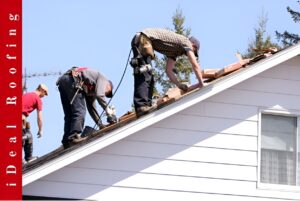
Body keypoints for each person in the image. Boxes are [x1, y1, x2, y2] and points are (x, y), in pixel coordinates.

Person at [130, 28, 205, 116]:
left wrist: (179, 84)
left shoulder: (175, 51)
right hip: (143, 39)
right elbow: (194, 64)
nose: (190, 53)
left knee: (149, 76)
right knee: (145, 72)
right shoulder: (186, 42)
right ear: (193, 46)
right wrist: (201, 83)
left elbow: (168, 71)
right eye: (194, 51)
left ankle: (146, 105)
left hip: (143, 40)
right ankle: (141, 107)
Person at [57, 67, 117, 149]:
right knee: (80, 111)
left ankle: (66, 141)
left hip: (63, 81)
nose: (105, 94)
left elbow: (92, 108)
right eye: (107, 93)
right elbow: (100, 95)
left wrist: (100, 125)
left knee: (70, 114)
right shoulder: (103, 79)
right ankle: (73, 137)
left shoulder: (91, 89)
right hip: (72, 80)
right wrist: (107, 109)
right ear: (109, 86)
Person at [22, 83, 48, 162]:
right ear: (42, 90)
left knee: (26, 135)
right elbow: (39, 117)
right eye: (45, 93)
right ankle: (28, 158)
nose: (44, 96)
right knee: (27, 136)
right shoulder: (37, 99)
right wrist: (40, 130)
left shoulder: (26, 95)